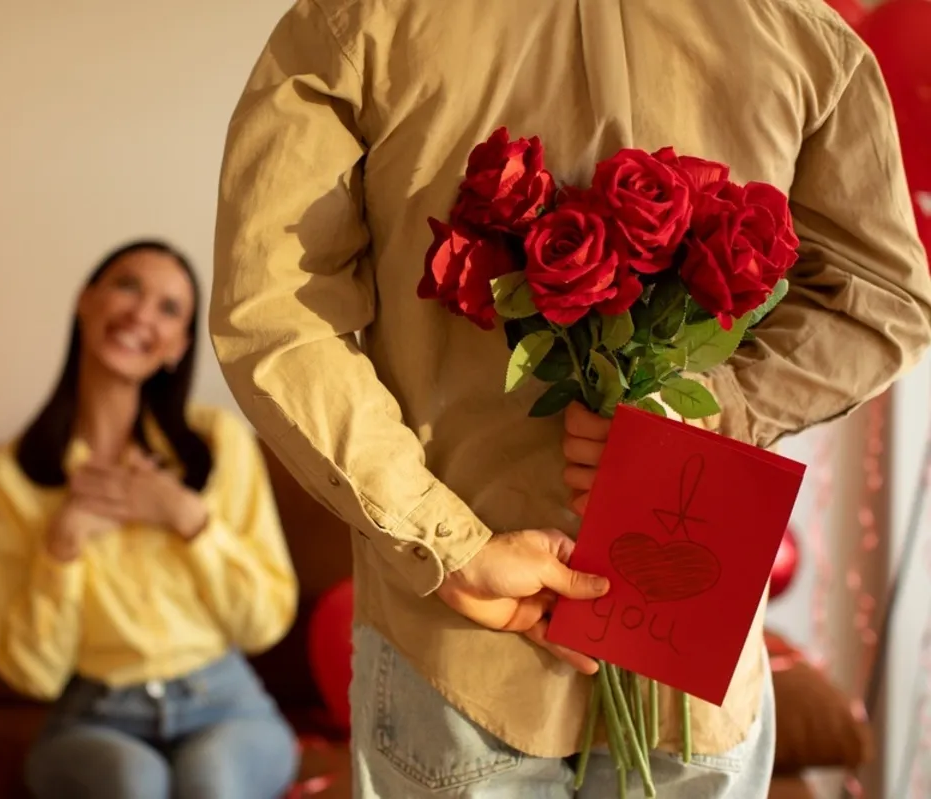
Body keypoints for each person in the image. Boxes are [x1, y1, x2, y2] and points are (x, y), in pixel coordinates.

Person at [209, 1, 931, 797]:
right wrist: (715, 404)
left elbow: (274, 313)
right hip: (685, 653)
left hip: (463, 655)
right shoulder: (795, 30)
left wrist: (445, 542)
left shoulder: (366, 21)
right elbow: (883, 296)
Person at [0, 240, 300, 799]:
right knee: (134, 785)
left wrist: (188, 518)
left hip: (226, 703)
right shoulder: (7, 477)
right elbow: (34, 674)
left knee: (211, 784)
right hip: (94, 715)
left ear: (178, 346)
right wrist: (63, 544)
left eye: (169, 308)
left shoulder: (221, 446)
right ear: (85, 301)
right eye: (127, 286)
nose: (140, 314)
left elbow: (264, 622)